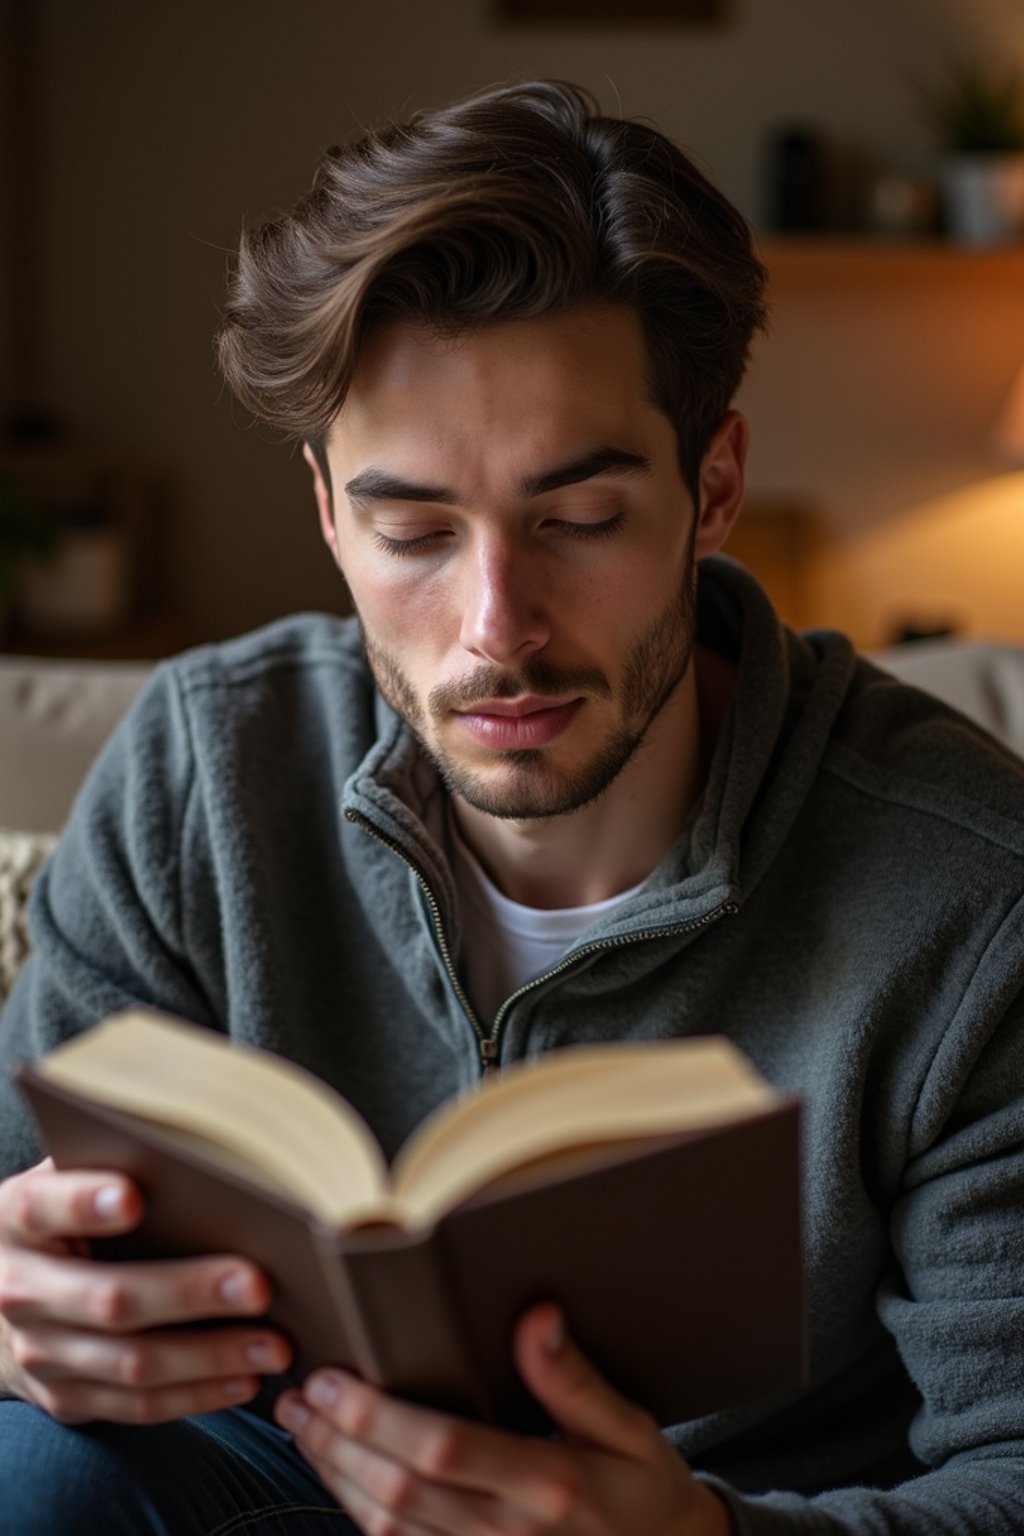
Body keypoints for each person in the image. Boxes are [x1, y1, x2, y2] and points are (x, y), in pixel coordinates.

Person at [1, 78, 1024, 1536]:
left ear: (713, 486)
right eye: (413, 531)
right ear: (325, 517)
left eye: (580, 521)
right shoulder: (200, 771)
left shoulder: (975, 895)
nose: (495, 629)